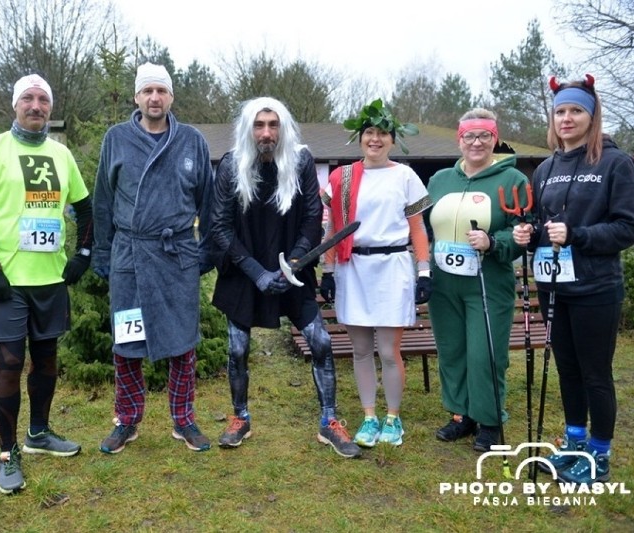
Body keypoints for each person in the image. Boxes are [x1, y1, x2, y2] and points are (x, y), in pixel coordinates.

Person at [209, 96, 360, 458]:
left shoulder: (301, 161)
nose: (266, 132)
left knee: (321, 342)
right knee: (237, 349)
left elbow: (312, 216)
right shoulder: (231, 166)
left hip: (293, 269)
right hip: (245, 270)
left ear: (283, 128)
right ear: (249, 129)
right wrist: (258, 273)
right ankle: (240, 417)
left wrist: (292, 262)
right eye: (259, 125)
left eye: (273, 125)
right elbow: (219, 226)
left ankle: (329, 421)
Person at [0, 74, 93, 494]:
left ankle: (38, 433)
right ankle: (7, 453)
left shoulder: (61, 154)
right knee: (10, 364)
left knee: (47, 361)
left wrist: (84, 254)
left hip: (50, 280)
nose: (36, 105)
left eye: (42, 100)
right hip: (8, 283)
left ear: (50, 108)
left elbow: (86, 208)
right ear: (15, 105)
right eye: (28, 98)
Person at [513, 75, 634, 484]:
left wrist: (579, 235)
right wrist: (528, 235)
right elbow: (542, 224)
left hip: (596, 288)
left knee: (595, 373)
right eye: (560, 111)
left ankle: (599, 454)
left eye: (576, 111)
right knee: (567, 368)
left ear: (591, 115)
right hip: (554, 287)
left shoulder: (613, 163)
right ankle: (574, 442)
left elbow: (629, 227)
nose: (567, 118)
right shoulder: (547, 167)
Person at [92, 62, 214, 454]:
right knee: (127, 342)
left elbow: (209, 203)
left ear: (171, 97)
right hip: (131, 255)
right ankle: (126, 420)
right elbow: (102, 201)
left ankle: (184, 418)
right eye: (147, 91)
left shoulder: (192, 140)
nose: (155, 98)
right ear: (137, 97)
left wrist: (204, 249)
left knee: (183, 340)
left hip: (176, 254)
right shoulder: (116, 138)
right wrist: (102, 252)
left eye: (161, 91)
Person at [319, 99, 431, 448]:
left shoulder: (405, 176)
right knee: (361, 349)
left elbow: (418, 229)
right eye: (370, 132)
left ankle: (393, 419)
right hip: (353, 268)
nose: (376, 139)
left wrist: (424, 271)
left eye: (383, 133)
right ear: (360, 137)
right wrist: (328, 270)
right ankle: (369, 417)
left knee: (388, 349)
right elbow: (331, 227)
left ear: (393, 140)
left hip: (392, 267)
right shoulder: (343, 177)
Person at [425, 108, 531, 452]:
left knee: (485, 353)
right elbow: (423, 226)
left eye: (484, 135)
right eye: (469, 135)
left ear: (494, 138)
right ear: (459, 139)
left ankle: (489, 419)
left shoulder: (512, 180)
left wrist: (494, 241)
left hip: (488, 281)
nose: (476, 142)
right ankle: (461, 415)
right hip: (444, 282)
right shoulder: (440, 180)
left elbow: (523, 231)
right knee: (452, 351)